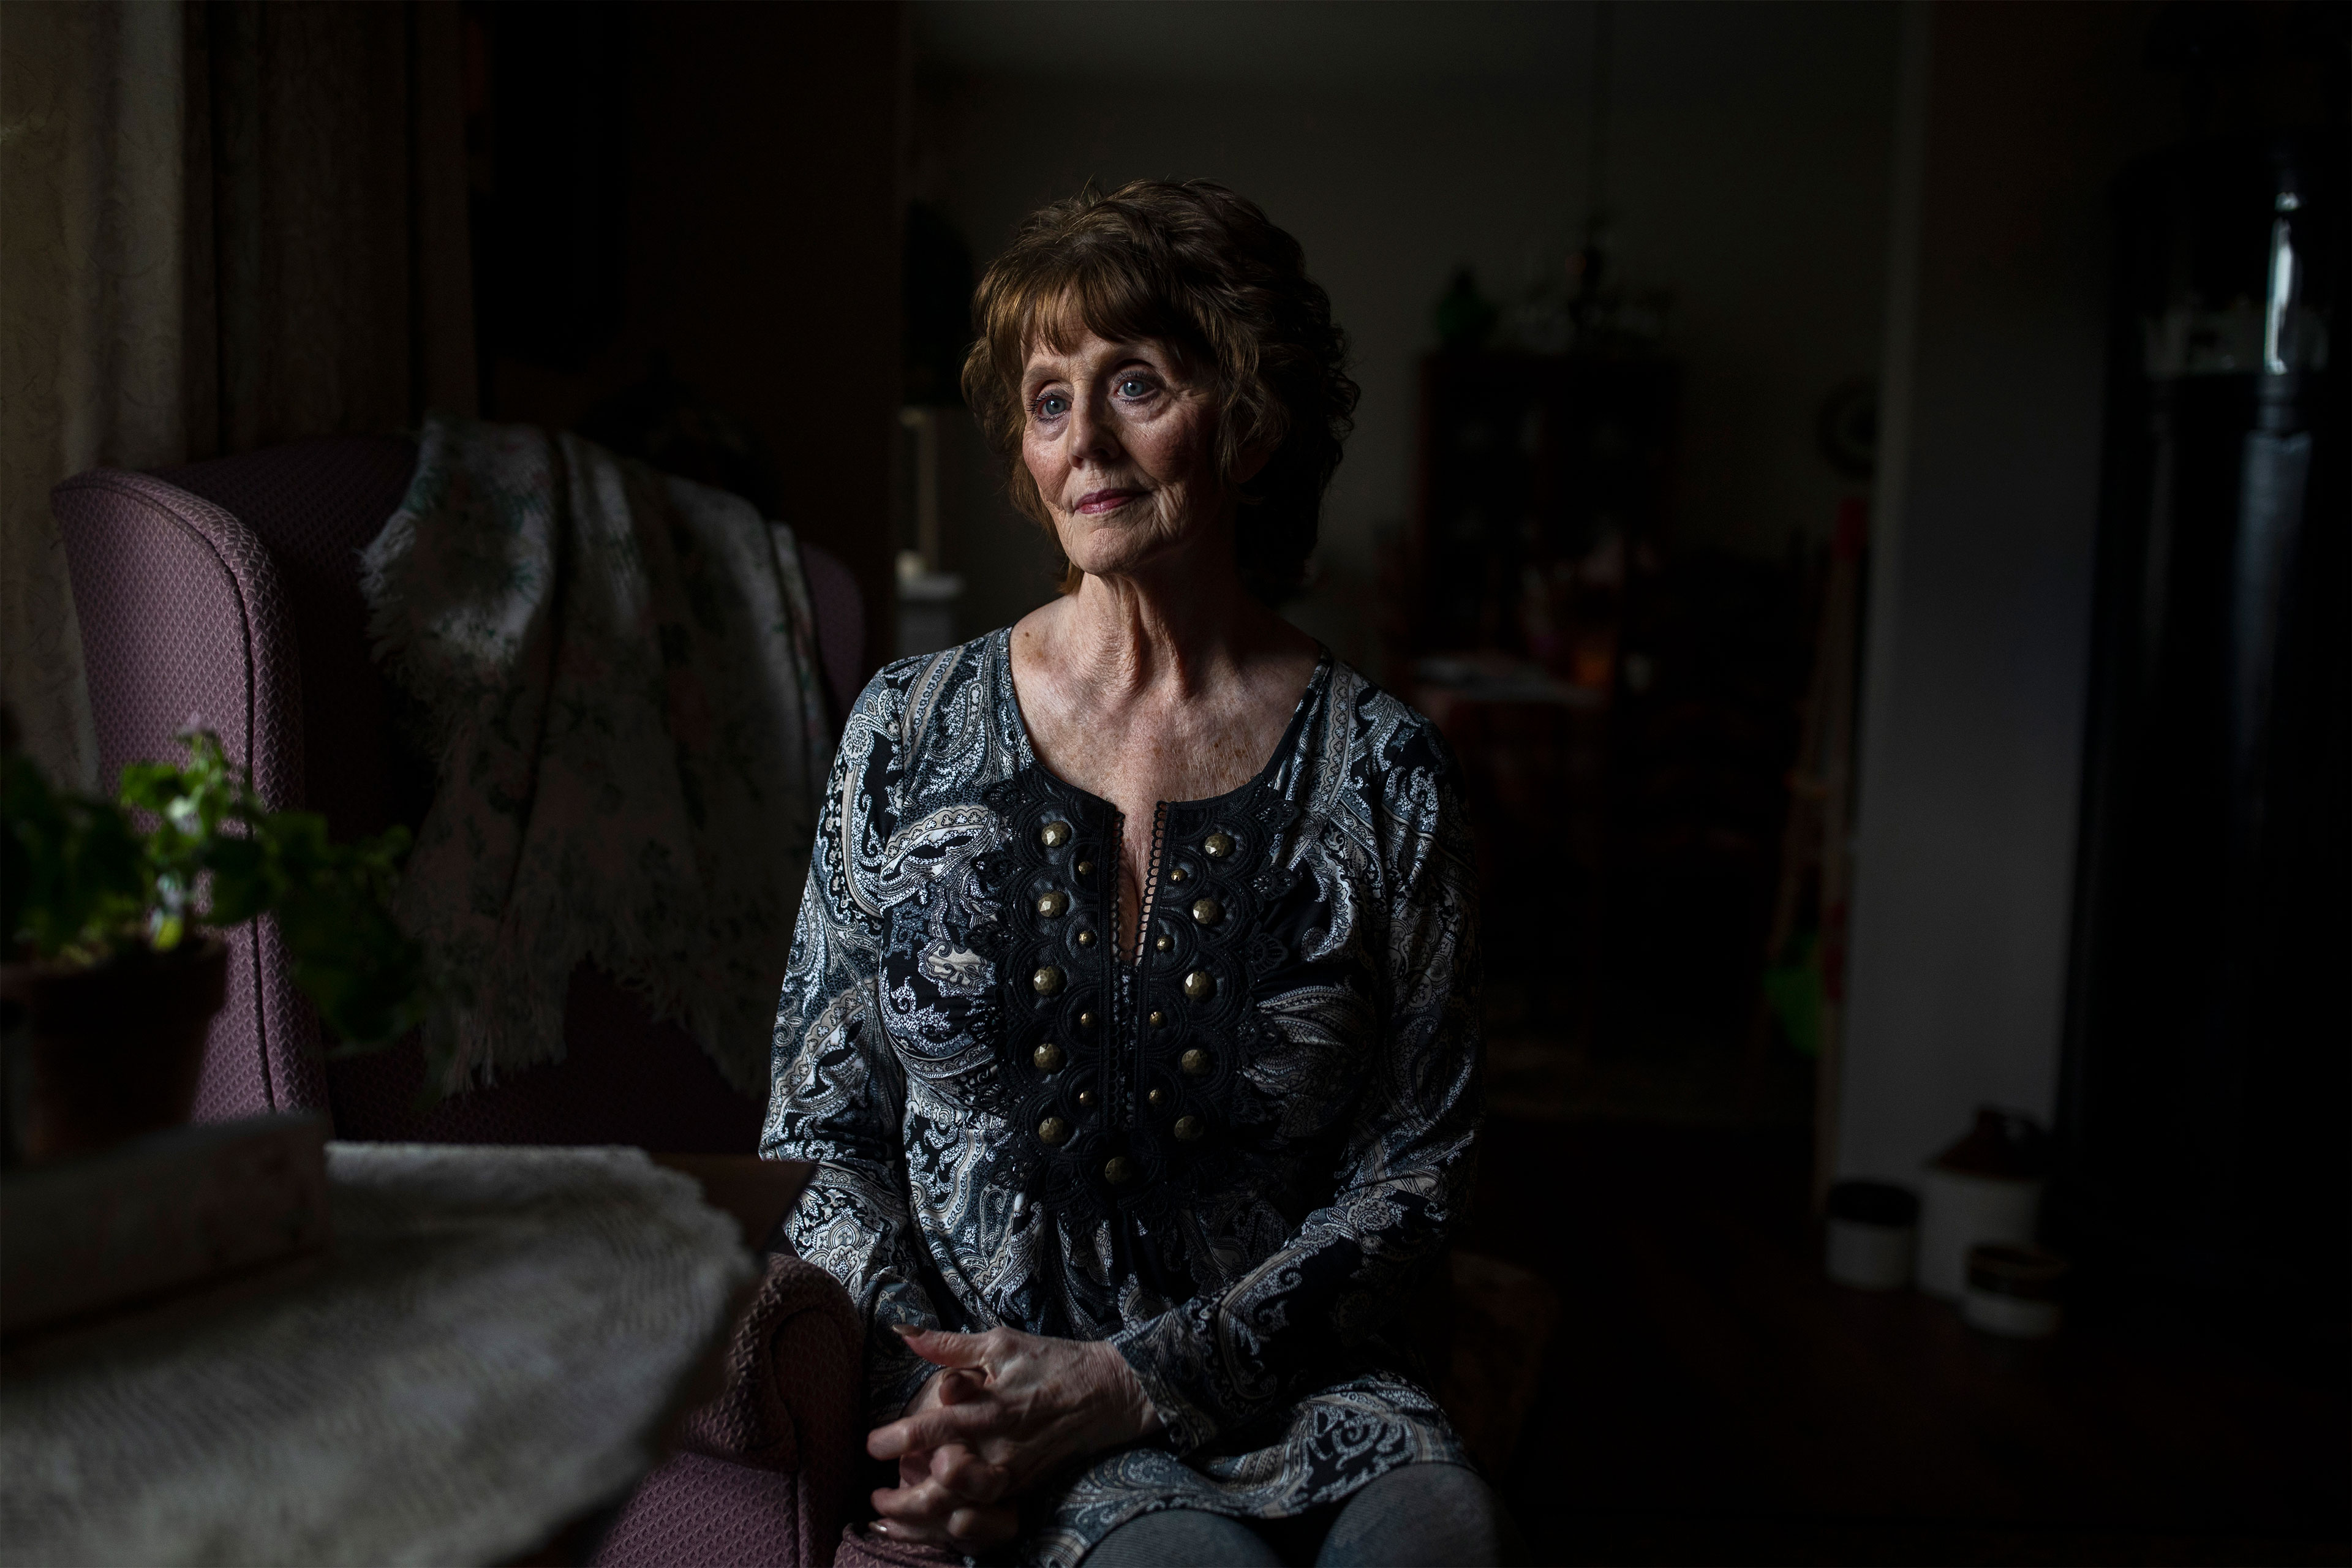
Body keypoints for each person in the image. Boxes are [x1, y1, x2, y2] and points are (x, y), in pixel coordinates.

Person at [764, 179, 1507, 1568]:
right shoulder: (909, 728)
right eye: (1050, 400)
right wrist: (956, 1401)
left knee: (1444, 1535)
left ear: (1247, 413)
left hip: (1296, 1386)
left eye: (1138, 383)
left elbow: (1422, 1166)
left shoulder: (1388, 770)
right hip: (991, 1389)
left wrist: (1130, 1380)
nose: (1086, 440)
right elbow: (823, 1130)